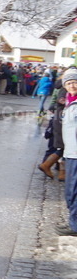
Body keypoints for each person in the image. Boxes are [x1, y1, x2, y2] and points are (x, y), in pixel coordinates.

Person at [57, 67, 77, 236]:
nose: (72, 86)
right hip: (70, 152)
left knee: (74, 190)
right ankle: (73, 221)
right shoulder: (69, 101)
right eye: (69, 83)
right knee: (70, 190)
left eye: (75, 82)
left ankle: (75, 225)